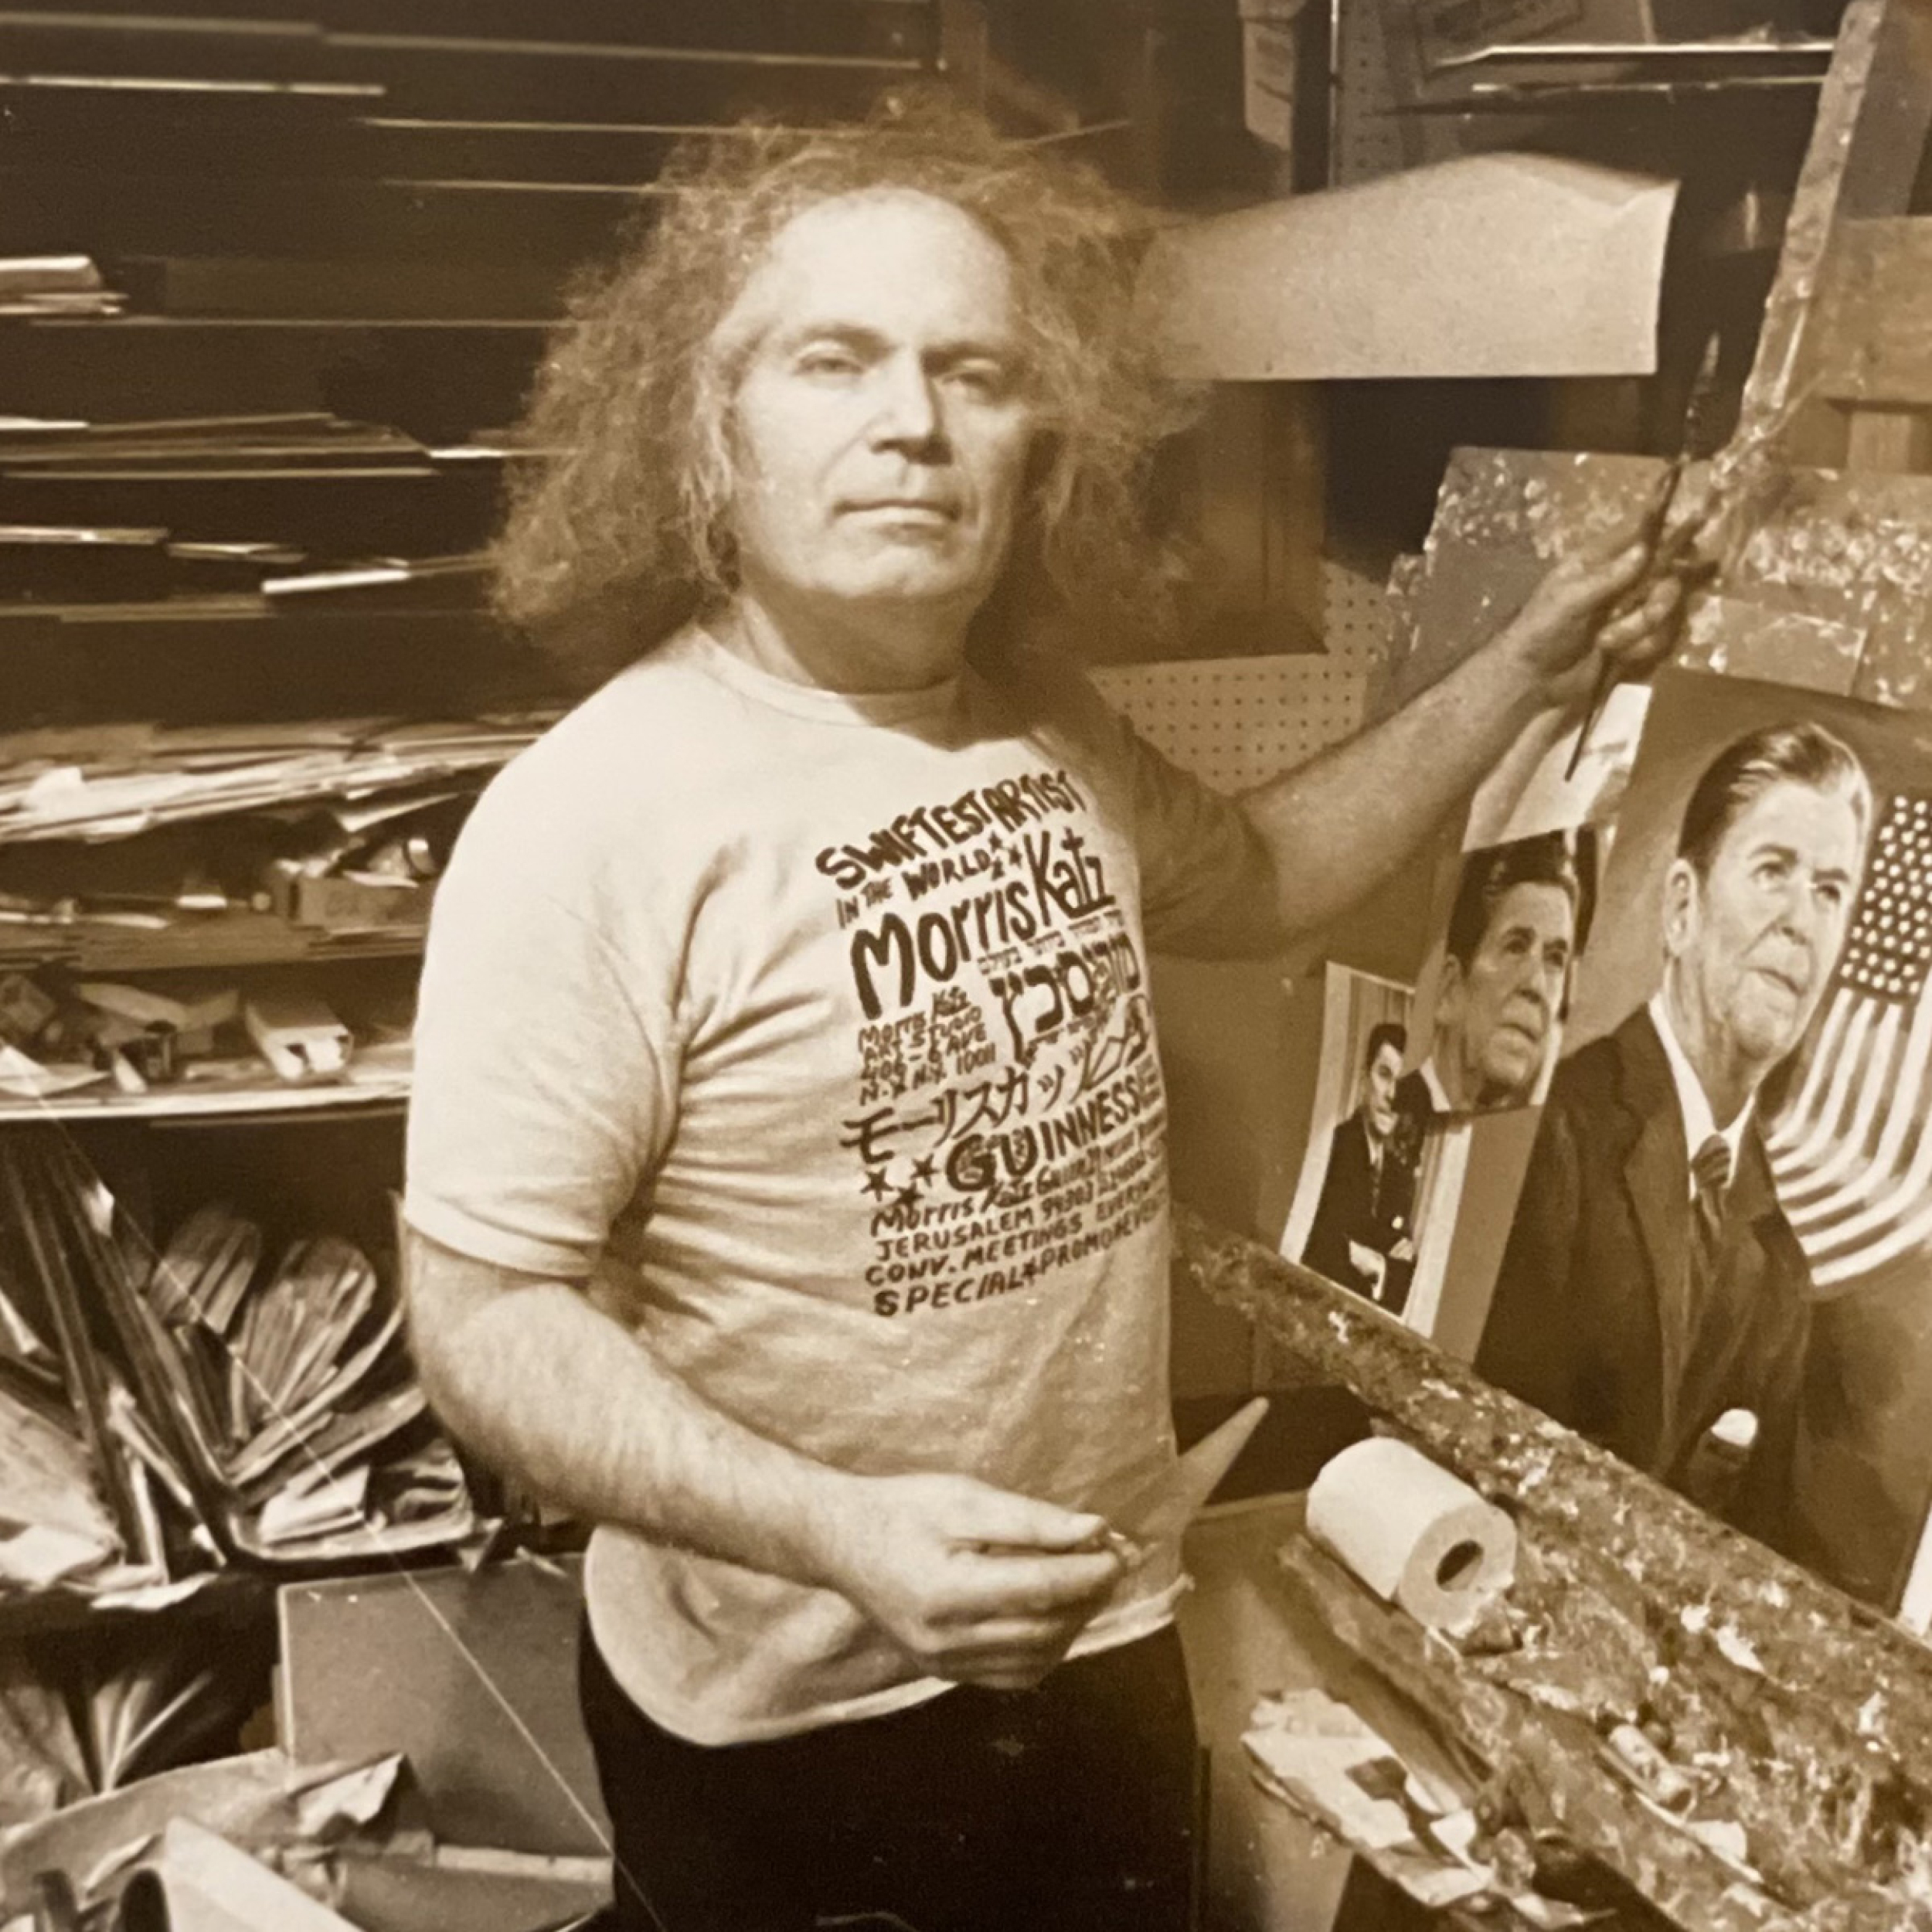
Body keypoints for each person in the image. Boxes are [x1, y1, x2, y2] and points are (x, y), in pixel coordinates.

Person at [400, 104, 1681, 1932]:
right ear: (710, 427)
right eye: (833, 361)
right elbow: (484, 1317)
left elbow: (1258, 875)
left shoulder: (1041, 725)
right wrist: (836, 1529)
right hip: (786, 1712)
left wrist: (1525, 672)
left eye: (973, 371)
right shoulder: (590, 819)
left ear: (1034, 444)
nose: (912, 422)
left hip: (1101, 1625)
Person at [1475, 721, 1872, 1548]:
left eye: (1830, 891)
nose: (1802, 922)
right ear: (1683, 908)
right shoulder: (1555, 1130)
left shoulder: (1780, 1259)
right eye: (1773, 871)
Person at [1403, 832, 1585, 1119]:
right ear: (1449, 990)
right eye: (1515, 948)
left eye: (1554, 959)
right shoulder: (1397, 1110)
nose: (1536, 985)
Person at [1302, 1020, 1423, 1312]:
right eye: (1384, 1075)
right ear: (1364, 1078)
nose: (1392, 1095)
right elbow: (1316, 1245)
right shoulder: (1332, 1147)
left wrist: (1370, 1261)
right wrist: (1384, 1264)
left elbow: (1408, 1277)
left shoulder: (1401, 1178)